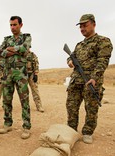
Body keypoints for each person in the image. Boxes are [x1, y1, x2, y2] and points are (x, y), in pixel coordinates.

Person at [66, 14, 113, 144]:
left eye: (85, 25)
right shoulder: (79, 45)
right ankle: (71, 130)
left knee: (91, 109)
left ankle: (87, 132)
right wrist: (70, 61)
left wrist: (94, 78)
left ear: (93, 24)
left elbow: (102, 61)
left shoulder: (103, 41)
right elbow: (71, 57)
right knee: (71, 107)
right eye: (80, 26)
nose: (82, 28)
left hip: (90, 81)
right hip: (76, 81)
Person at [0, 16, 31, 139]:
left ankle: (26, 127)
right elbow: (1, 53)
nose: (12, 27)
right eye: (11, 25)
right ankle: (7, 124)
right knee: (6, 100)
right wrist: (18, 51)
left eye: (15, 25)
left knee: (24, 100)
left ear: (21, 25)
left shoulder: (26, 37)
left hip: (21, 73)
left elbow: (25, 48)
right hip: (7, 73)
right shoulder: (6, 39)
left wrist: (11, 49)